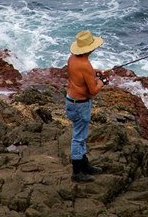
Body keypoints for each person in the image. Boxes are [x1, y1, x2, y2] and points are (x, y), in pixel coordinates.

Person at [66, 30, 110, 182]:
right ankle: (77, 172)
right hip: (80, 105)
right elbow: (93, 91)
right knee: (79, 137)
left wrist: (94, 73)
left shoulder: (72, 58)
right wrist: (102, 82)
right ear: (90, 48)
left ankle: (85, 165)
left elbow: (79, 76)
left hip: (71, 100)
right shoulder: (85, 64)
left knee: (81, 135)